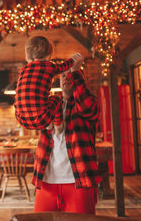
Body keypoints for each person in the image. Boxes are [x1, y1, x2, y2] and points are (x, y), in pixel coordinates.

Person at [32, 56, 102, 214]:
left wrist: (76, 69)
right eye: (63, 75)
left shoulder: (89, 103)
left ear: (79, 78)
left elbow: (86, 106)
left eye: (72, 75)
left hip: (79, 181)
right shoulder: (50, 105)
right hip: (46, 182)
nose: (67, 78)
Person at [14, 36, 82, 130]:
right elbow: (64, 66)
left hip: (21, 120)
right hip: (43, 119)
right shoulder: (49, 67)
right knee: (57, 99)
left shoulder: (23, 70)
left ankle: (49, 124)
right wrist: (73, 59)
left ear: (27, 57)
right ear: (48, 56)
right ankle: (58, 124)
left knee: (42, 101)